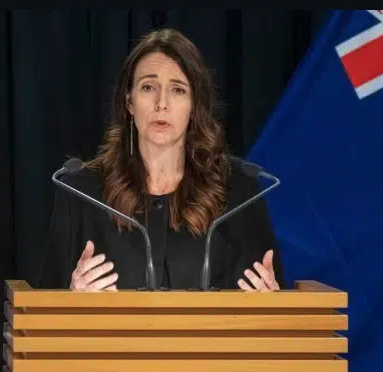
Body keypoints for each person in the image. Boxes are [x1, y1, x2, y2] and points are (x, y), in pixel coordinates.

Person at [38, 29, 284, 291]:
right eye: (148, 87)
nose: (161, 103)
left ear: (194, 105)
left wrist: (271, 302)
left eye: (177, 90)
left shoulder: (239, 191)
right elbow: (43, 308)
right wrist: (70, 301)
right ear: (129, 102)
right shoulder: (80, 192)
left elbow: (272, 304)